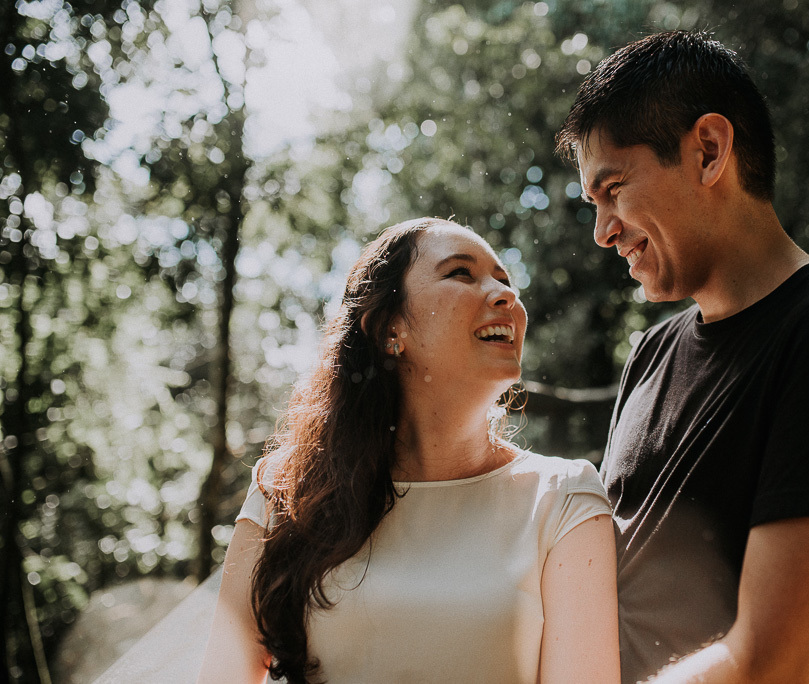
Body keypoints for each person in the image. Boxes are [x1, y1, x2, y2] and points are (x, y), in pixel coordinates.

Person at [555, 31, 809, 684]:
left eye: (612, 189)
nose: (602, 231)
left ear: (708, 150)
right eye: (593, 203)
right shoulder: (651, 353)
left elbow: (771, 663)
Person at [197, 218, 620, 683]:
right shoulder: (285, 492)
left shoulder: (565, 498)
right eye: (461, 273)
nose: (506, 297)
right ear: (388, 330)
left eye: (505, 280)